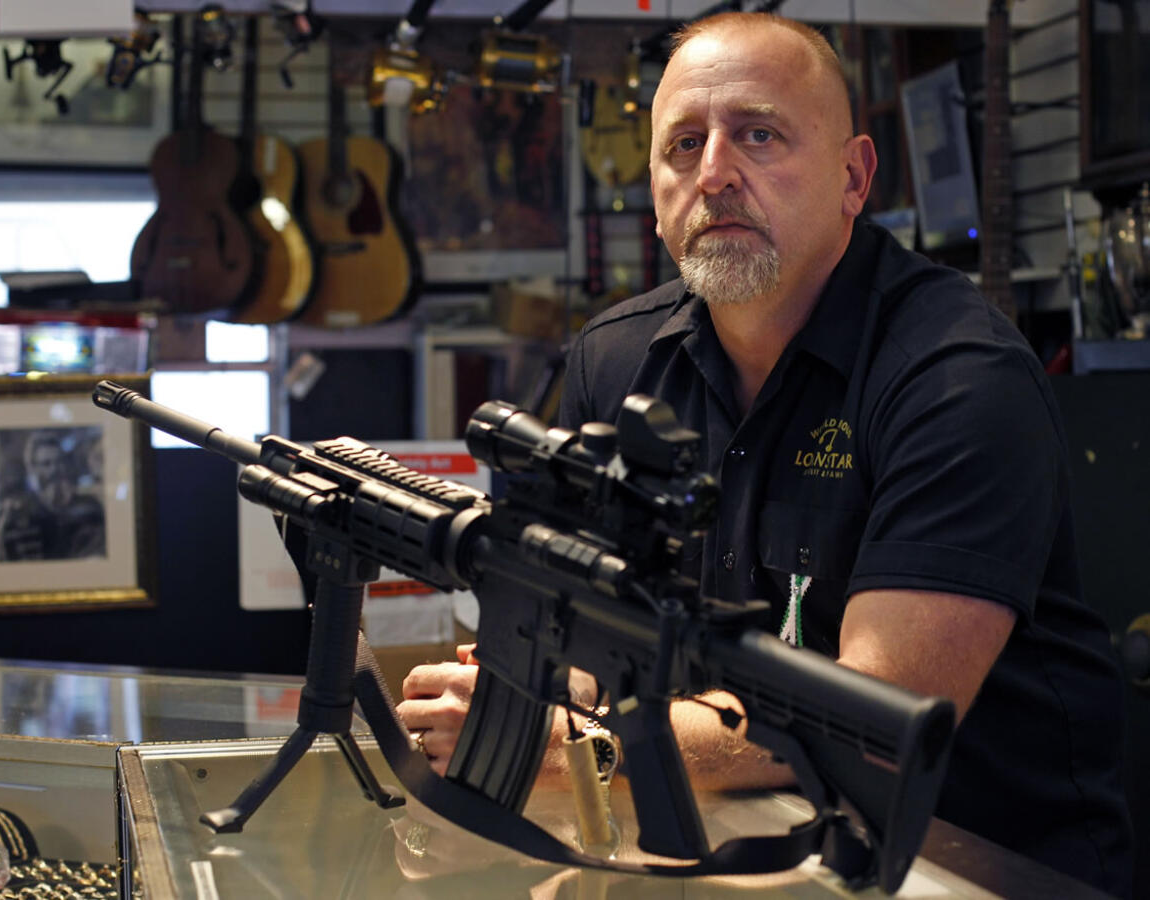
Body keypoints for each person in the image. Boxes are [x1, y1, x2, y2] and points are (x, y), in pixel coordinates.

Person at [398, 12, 1134, 896]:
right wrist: (516, 692)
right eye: (683, 146)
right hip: (737, 841)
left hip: (975, 865)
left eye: (758, 134)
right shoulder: (616, 361)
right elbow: (589, 629)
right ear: (656, 189)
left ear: (854, 176)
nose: (715, 174)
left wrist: (577, 746)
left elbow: (872, 721)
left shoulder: (958, 379)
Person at [0, 430, 106, 562]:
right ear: (33, 469)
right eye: (46, 464)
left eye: (59, 461)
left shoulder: (89, 509)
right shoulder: (21, 514)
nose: (54, 470)